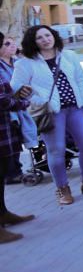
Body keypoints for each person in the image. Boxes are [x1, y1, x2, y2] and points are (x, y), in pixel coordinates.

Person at [11, 25, 83, 205]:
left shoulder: (69, 56)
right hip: (51, 112)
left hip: (76, 108)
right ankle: (62, 189)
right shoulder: (25, 63)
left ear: (54, 36)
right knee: (56, 150)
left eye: (47, 35)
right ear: (32, 42)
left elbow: (81, 81)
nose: (45, 39)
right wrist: (39, 100)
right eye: (39, 38)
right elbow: (16, 89)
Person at [0, 31, 33, 244]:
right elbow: (3, 98)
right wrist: (21, 102)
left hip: (5, 127)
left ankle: (3, 213)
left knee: (2, 173)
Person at [1, 33, 34, 184]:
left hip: (19, 109)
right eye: (6, 44)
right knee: (7, 145)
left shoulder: (18, 62)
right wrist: (20, 102)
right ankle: (12, 173)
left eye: (13, 42)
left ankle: (15, 171)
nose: (12, 45)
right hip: (9, 110)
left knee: (15, 143)